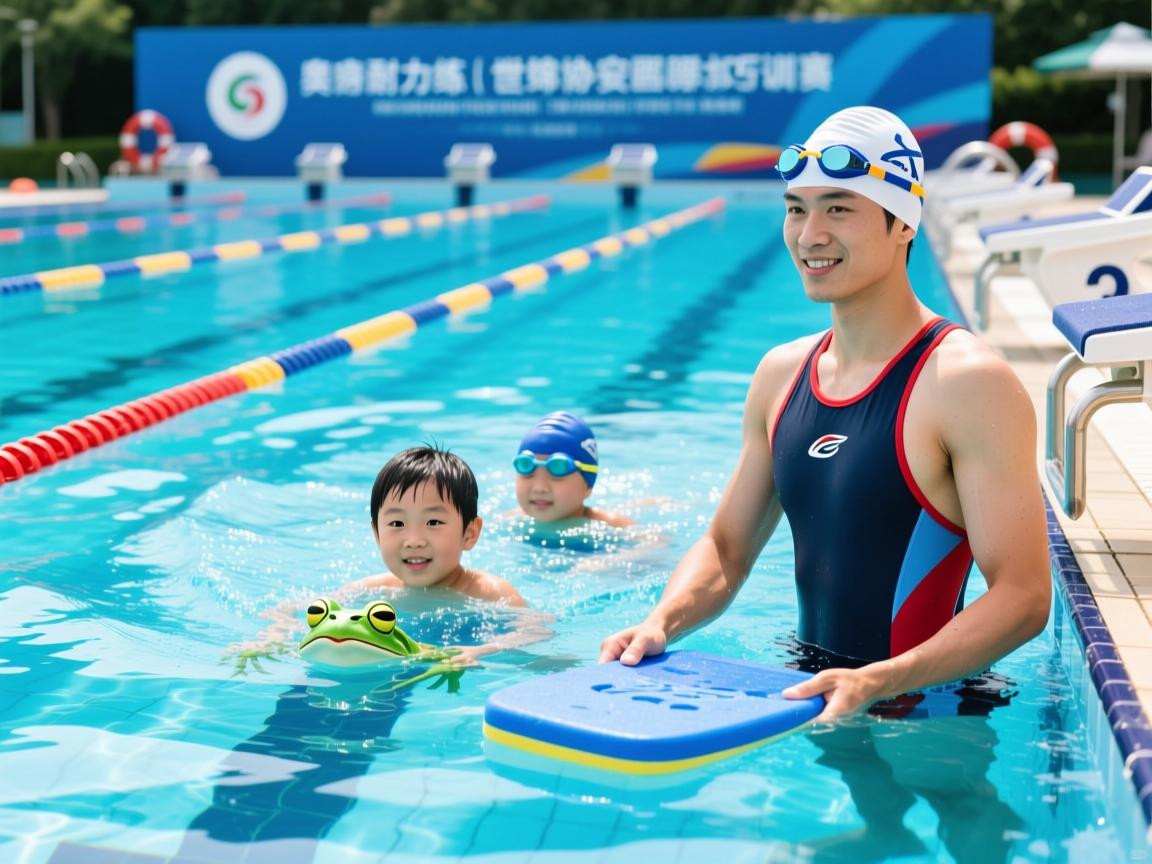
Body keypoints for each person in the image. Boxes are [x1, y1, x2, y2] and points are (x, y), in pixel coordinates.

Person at [598, 105, 1051, 722]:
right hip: (809, 692)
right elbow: (727, 549)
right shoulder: (781, 376)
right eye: (796, 209)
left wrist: (880, 681)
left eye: (839, 207)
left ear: (903, 224)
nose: (810, 234)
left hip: (932, 712)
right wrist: (660, 624)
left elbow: (1024, 596)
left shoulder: (966, 382)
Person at [343, 444, 526, 606]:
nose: (414, 541)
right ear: (377, 535)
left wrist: (471, 648)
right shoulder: (371, 592)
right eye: (397, 523)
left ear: (469, 534)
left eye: (433, 522)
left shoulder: (492, 595)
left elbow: (531, 633)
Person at [512, 411, 635, 528]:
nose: (539, 488)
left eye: (557, 472)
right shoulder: (511, 521)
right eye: (526, 470)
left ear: (587, 486)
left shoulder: (613, 526)